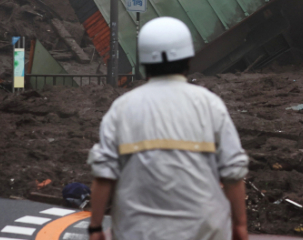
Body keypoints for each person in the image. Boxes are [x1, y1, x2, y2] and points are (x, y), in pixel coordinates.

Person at [86, 17, 249, 240]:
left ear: (144, 62)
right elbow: (233, 172)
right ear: (188, 59)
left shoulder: (122, 108)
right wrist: (239, 225)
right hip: (205, 230)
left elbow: (104, 174)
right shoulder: (209, 104)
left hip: (137, 231)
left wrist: (95, 227)